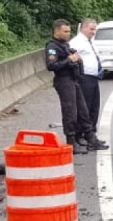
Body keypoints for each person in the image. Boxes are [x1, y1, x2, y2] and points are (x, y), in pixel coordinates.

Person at [44, 19, 107, 154]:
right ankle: (71, 142)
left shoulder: (65, 45)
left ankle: (91, 138)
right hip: (64, 81)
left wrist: (76, 61)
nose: (68, 34)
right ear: (57, 31)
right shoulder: (52, 47)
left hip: (74, 79)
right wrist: (69, 60)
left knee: (83, 111)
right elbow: (51, 66)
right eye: (65, 31)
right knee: (70, 112)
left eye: (69, 31)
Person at [69, 18, 103, 132]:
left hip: (94, 77)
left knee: (94, 106)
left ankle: (92, 130)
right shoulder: (76, 42)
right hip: (84, 77)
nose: (93, 32)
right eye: (91, 29)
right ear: (83, 28)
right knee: (85, 106)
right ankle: (83, 132)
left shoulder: (91, 41)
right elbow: (72, 58)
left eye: (95, 29)